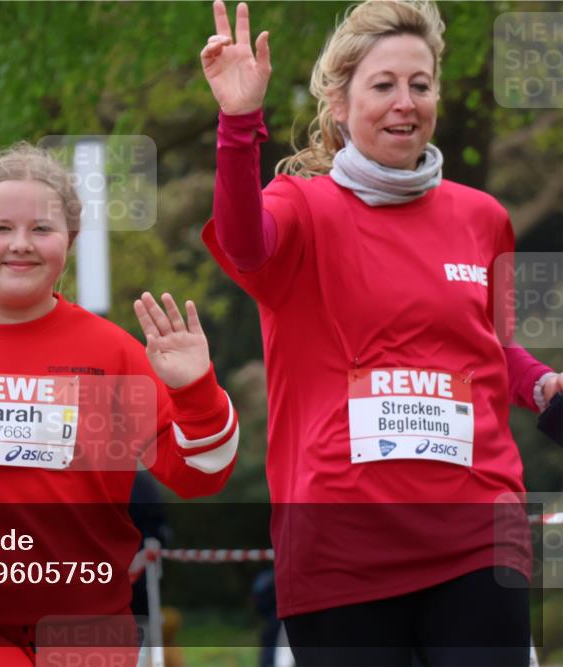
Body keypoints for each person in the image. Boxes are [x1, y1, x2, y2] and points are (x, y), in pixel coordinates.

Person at [198, 1, 561, 665]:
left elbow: (489, 343)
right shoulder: (299, 208)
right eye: (383, 85)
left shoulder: (482, 218)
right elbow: (241, 243)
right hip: (342, 547)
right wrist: (238, 121)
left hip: (476, 531)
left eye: (420, 85)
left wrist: (540, 384)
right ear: (340, 103)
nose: (405, 103)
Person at [0, 142, 241, 666]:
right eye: (0, 228)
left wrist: (196, 389)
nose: (21, 245)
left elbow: (202, 473)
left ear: (71, 240)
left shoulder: (111, 353)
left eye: (41, 229)